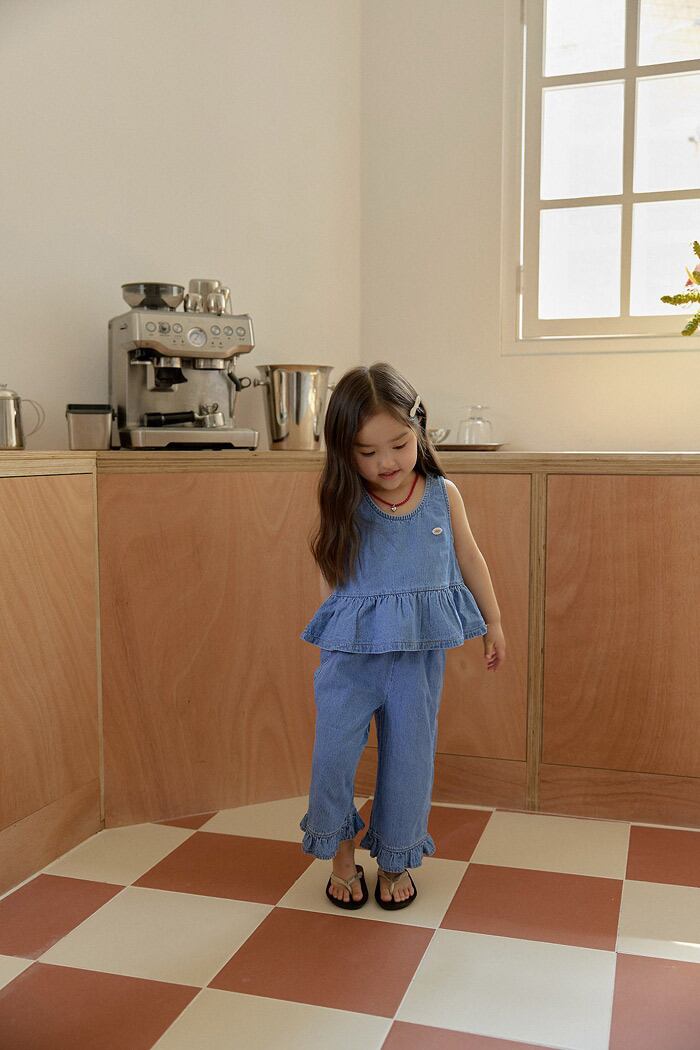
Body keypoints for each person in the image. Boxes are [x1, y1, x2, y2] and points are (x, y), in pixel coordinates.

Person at [298, 363, 505, 912]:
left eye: (399, 445)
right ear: (344, 451)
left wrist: (494, 622)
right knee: (333, 757)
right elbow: (330, 570)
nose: (386, 463)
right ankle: (341, 854)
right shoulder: (342, 498)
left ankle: (395, 857)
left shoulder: (442, 495)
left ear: (419, 430)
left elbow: (470, 558)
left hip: (416, 658)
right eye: (367, 452)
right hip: (350, 658)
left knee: (410, 760)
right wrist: (337, 631)